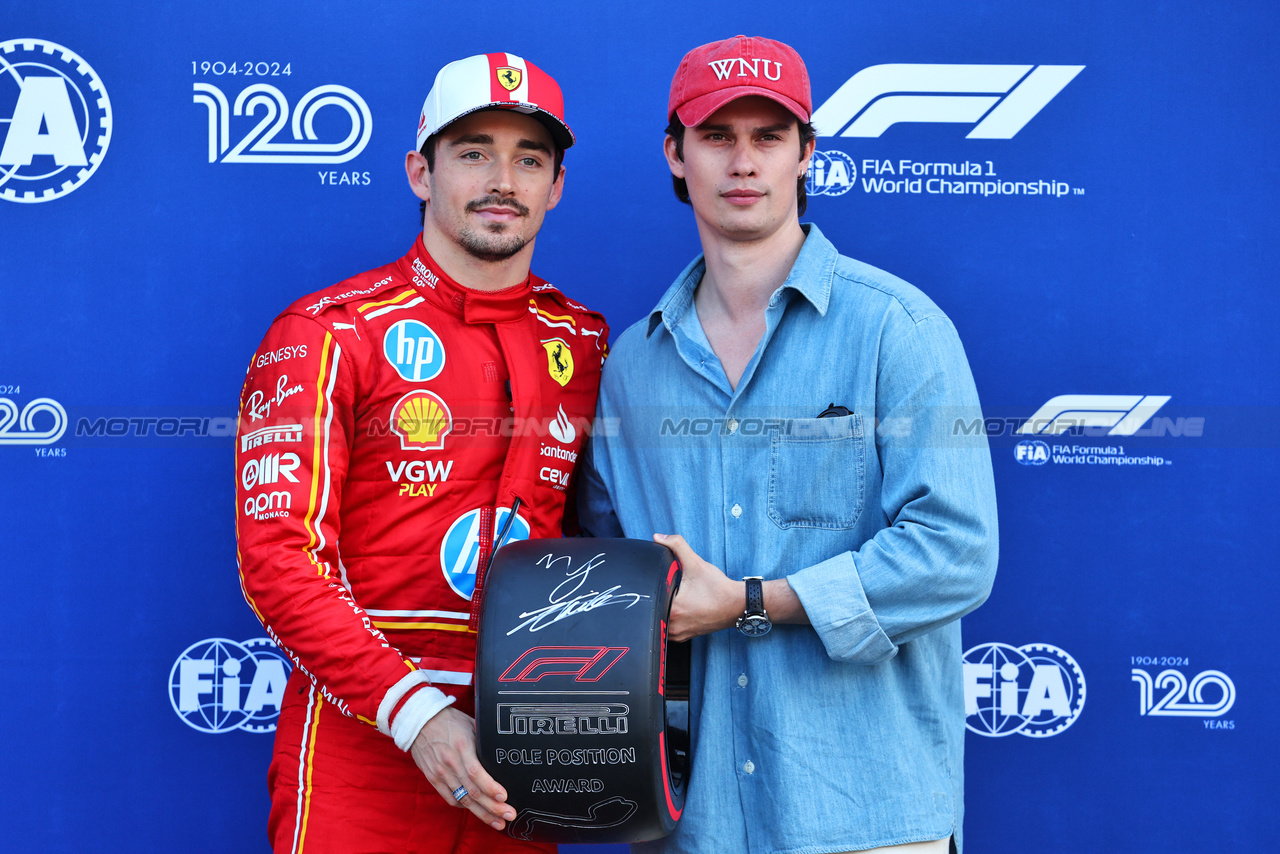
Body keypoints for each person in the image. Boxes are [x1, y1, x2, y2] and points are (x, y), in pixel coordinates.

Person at [578, 36, 998, 854]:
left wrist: (748, 601)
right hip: (689, 828)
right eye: (716, 136)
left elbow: (956, 550)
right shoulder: (632, 365)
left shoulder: (897, 331)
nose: (744, 162)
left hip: (867, 819)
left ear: (807, 155)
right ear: (676, 154)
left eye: (769, 137)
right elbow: (609, 565)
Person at [235, 52, 608, 854]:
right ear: (419, 171)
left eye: (529, 159)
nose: (503, 179)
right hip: (361, 742)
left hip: (523, 750)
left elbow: (603, 544)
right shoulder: (328, 331)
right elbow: (278, 559)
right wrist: (418, 713)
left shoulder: (586, 342)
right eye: (474, 152)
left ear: (557, 186)